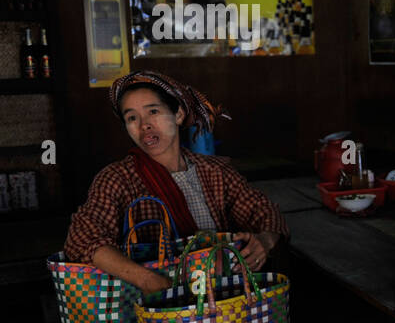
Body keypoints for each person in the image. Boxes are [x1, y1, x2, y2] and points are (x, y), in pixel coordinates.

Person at [63, 71, 288, 294]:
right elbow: (82, 238)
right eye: (132, 117)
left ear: (178, 115)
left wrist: (265, 241)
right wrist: (150, 281)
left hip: (223, 306)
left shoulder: (215, 172)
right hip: (157, 315)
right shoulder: (117, 179)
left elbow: (265, 212)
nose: (144, 125)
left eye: (153, 111)